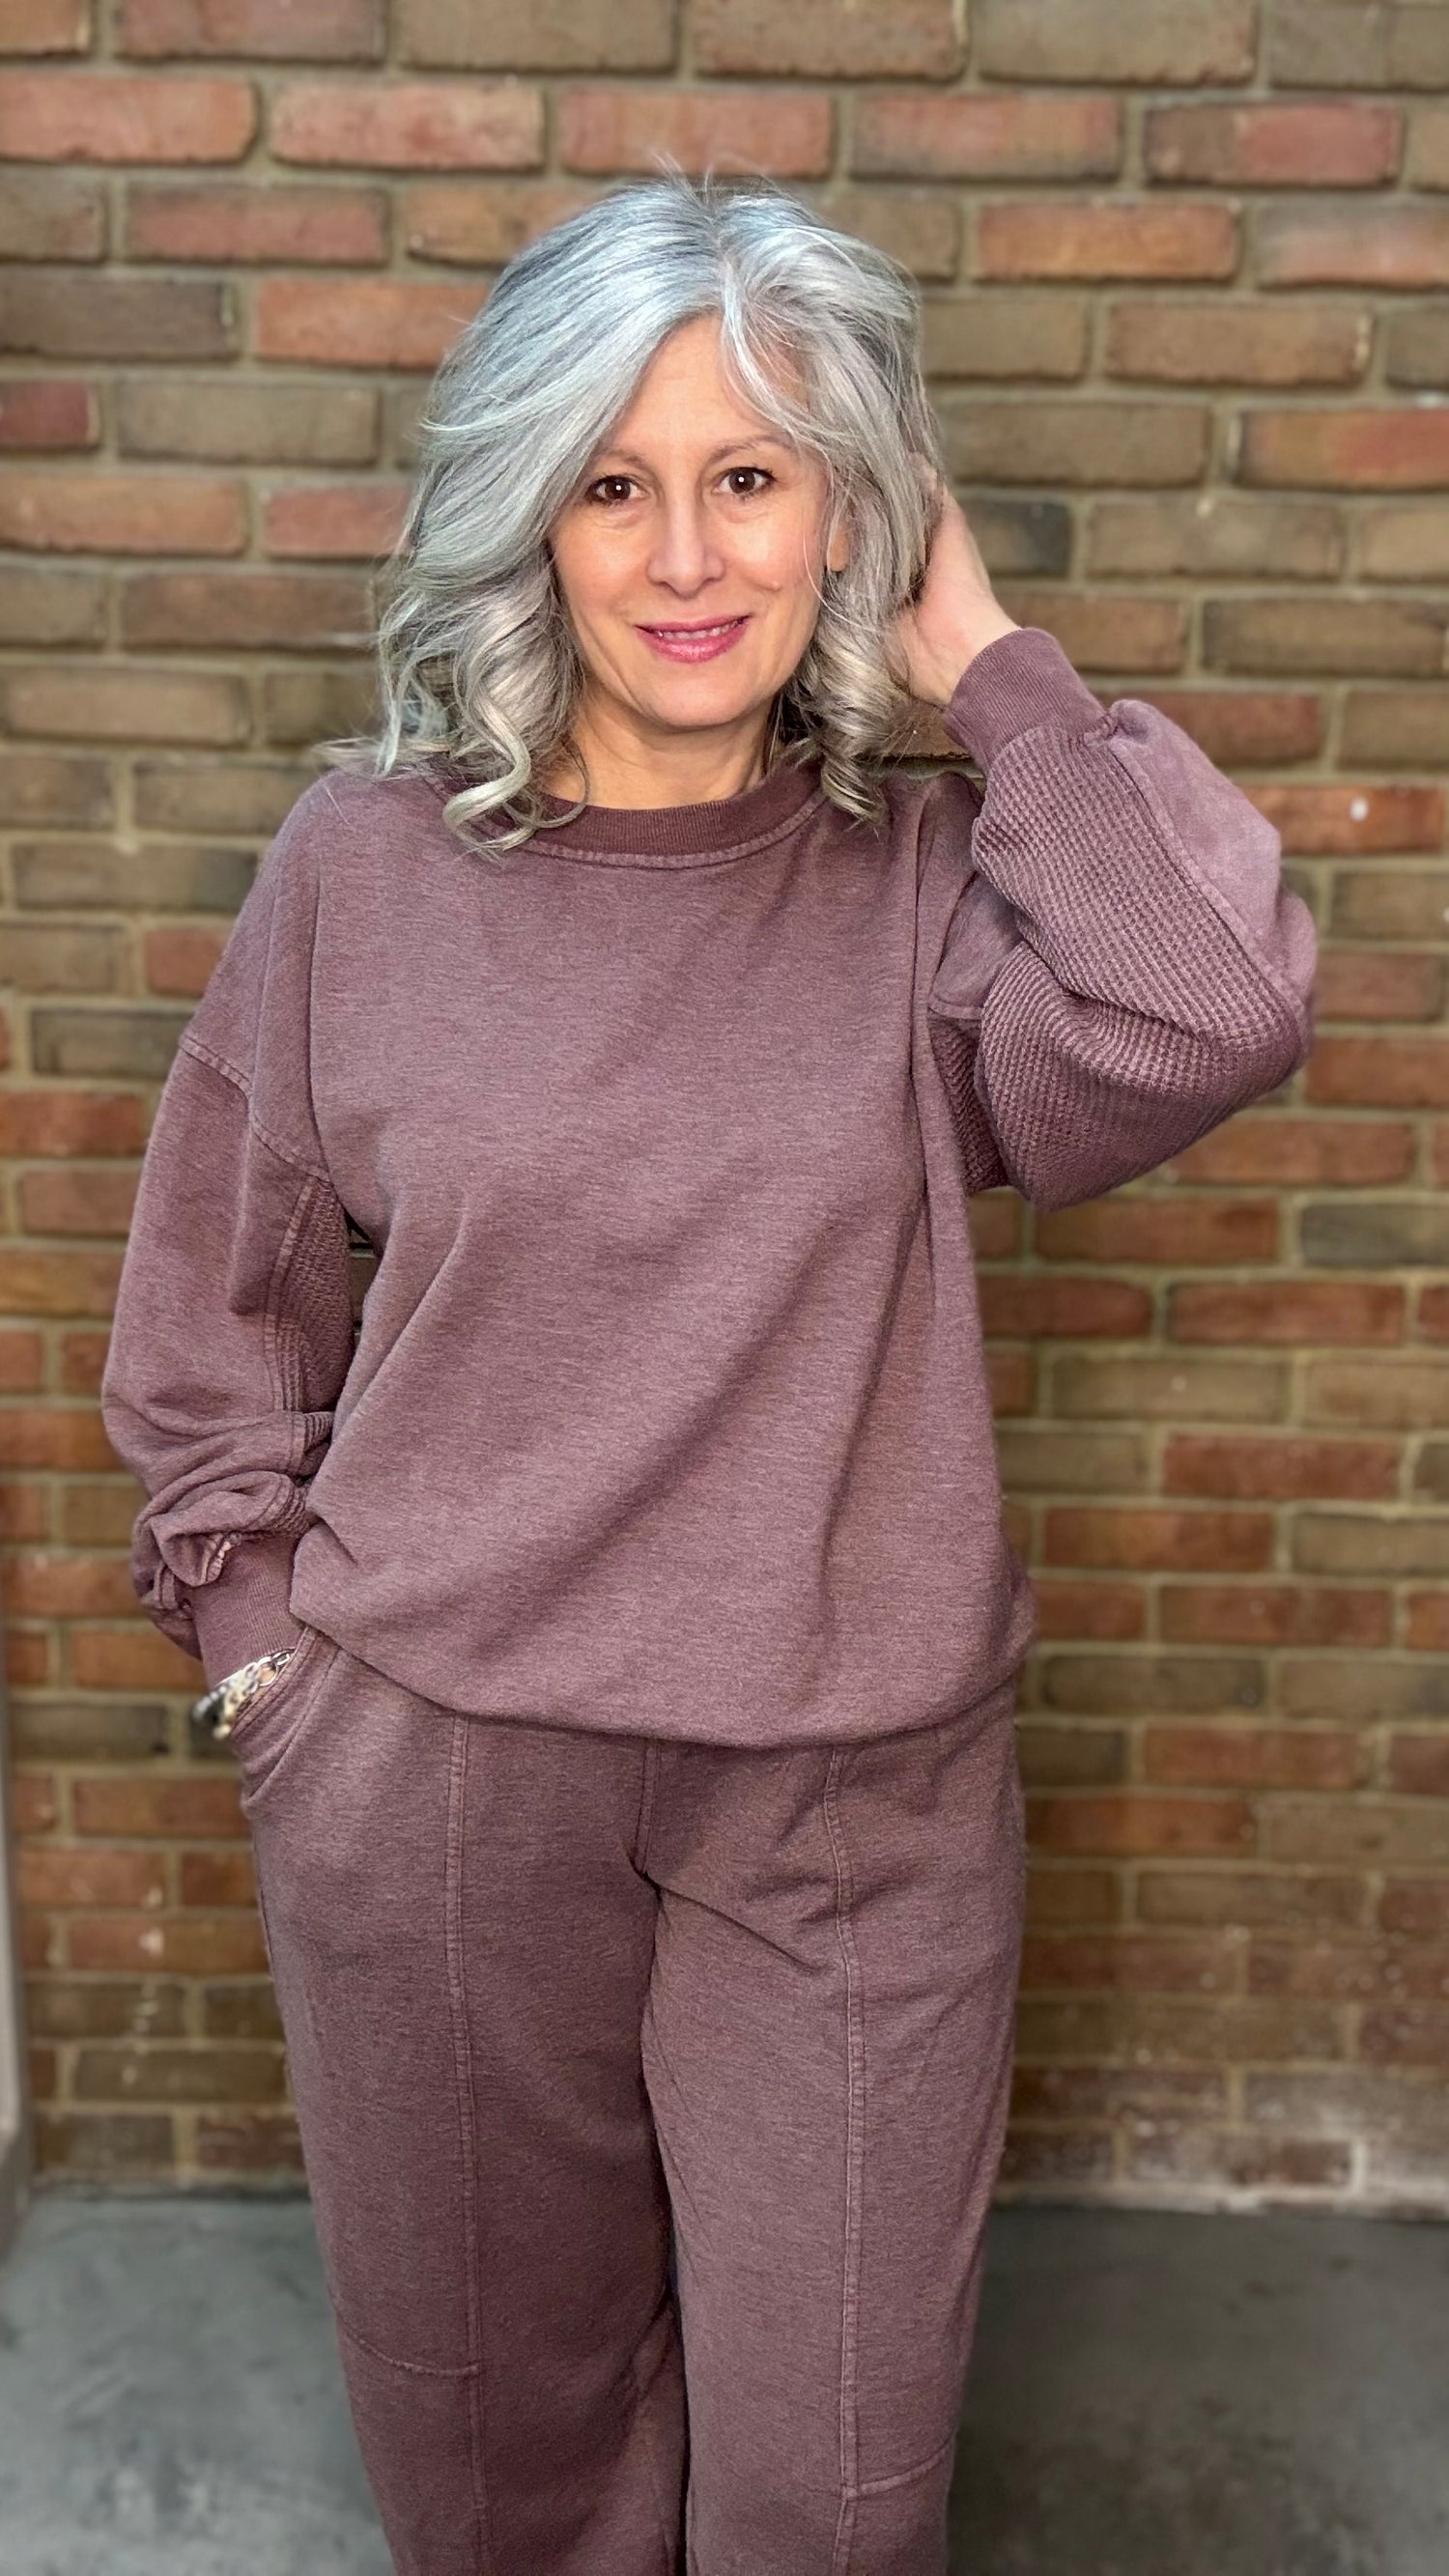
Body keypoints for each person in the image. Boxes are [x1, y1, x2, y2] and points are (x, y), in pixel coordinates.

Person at [99, 171, 1318, 2576]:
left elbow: (1211, 1007)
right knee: (501, 2472)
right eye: (615, 481)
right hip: (435, 1775)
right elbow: (208, 1321)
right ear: (527, 518)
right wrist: (272, 1668)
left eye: (753, 475)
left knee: (835, 2489)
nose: (684, 555)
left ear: (847, 510)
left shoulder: (938, 881)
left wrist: (992, 661)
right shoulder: (361, 870)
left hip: (851, 1803)